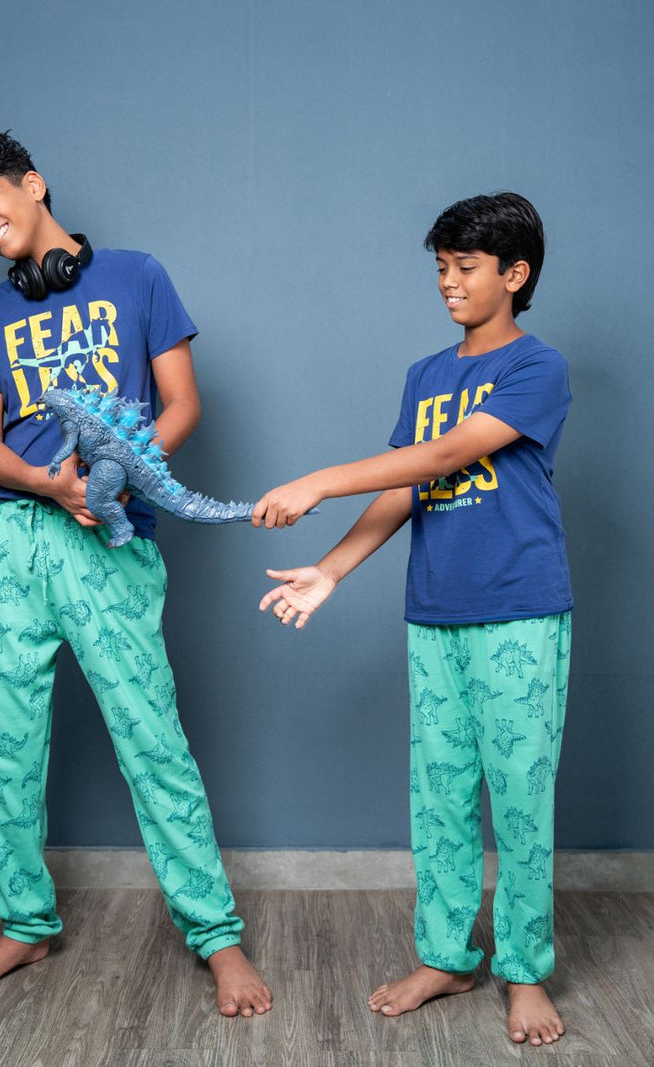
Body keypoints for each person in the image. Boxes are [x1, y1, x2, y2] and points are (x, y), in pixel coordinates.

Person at [0, 129, 271, 1017]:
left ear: (33, 184)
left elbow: (184, 401)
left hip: (110, 536)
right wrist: (50, 482)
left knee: (149, 734)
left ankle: (217, 936)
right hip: (13, 535)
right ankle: (23, 920)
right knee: (6, 741)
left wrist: (109, 478)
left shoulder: (137, 276)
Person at [254, 193, 570, 1047]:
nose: (448, 284)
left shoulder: (538, 368)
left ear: (515, 273)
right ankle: (444, 953)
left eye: (466, 268)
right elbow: (407, 485)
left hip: (519, 611)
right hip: (434, 613)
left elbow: (443, 455)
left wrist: (318, 479)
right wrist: (329, 569)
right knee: (438, 796)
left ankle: (525, 969)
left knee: (521, 798)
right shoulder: (426, 375)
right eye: (440, 268)